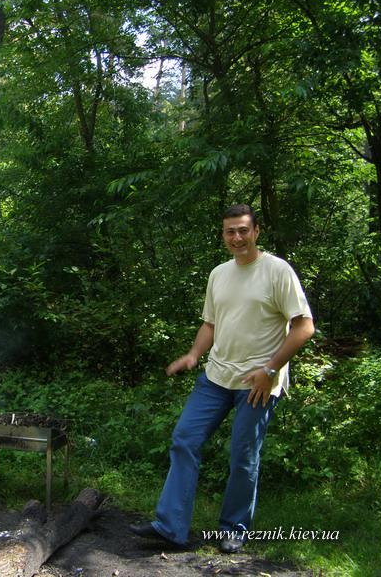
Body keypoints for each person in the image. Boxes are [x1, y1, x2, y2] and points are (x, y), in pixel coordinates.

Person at [129, 204, 314, 553]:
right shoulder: (219, 274)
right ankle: (170, 527)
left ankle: (233, 529)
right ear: (223, 235)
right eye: (230, 231)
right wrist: (193, 354)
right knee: (185, 439)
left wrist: (270, 370)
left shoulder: (277, 271)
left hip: (258, 383)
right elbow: (211, 324)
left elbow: (304, 327)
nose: (237, 237)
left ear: (256, 231)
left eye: (243, 230)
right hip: (215, 377)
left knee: (243, 455)